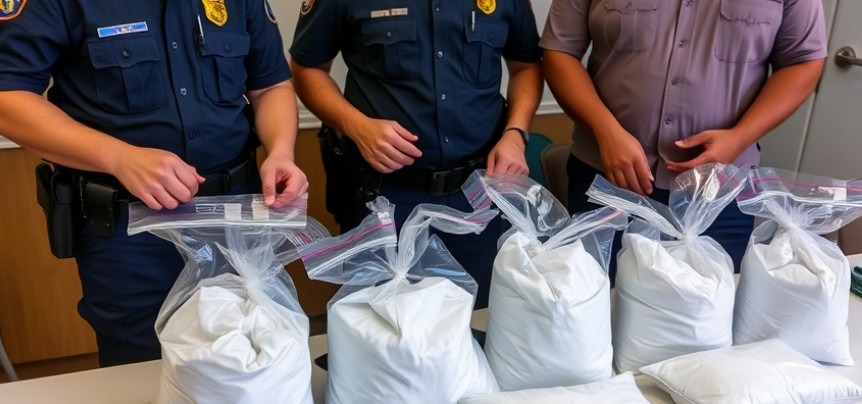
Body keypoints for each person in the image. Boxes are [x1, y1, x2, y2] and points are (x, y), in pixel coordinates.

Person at [0, 0, 309, 366]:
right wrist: (119, 157)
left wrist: (281, 152)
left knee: (253, 349)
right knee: (142, 361)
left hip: (236, 212)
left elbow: (270, 84)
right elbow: (9, 96)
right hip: (130, 228)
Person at [289, 0, 543, 308]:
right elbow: (306, 67)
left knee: (476, 320)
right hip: (383, 196)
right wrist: (356, 126)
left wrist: (515, 133)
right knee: (378, 328)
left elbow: (525, 65)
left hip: (477, 196)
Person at [540, 0, 827, 272]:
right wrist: (606, 132)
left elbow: (802, 61)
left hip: (719, 190)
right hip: (608, 181)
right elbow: (559, 51)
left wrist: (739, 138)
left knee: (704, 310)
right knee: (595, 303)